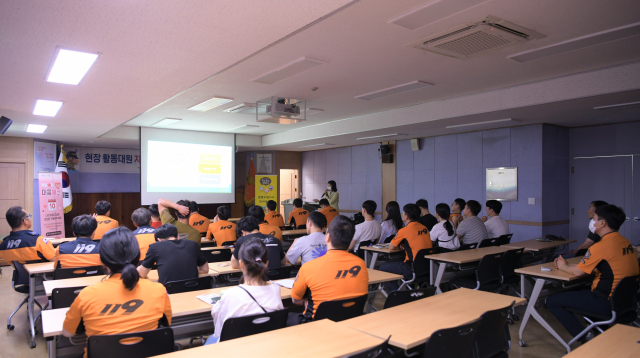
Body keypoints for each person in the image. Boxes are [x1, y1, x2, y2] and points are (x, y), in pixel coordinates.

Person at [62, 227, 172, 358]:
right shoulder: (159, 290)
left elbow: (68, 333)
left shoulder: (87, 295)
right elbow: (167, 324)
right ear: (137, 256)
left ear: (103, 260)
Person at [546, 205, 639, 339]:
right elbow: (606, 266)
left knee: (552, 301)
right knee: (582, 290)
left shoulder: (600, 246)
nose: (592, 221)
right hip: (627, 302)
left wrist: (563, 266)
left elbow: (578, 273)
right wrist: (569, 265)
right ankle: (598, 332)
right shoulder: (625, 242)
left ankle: (585, 338)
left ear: (602, 223)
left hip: (606, 302)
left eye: (594, 218)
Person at [289, 215, 369, 325]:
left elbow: (295, 300)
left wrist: (307, 300)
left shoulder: (308, 267)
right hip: (350, 323)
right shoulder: (361, 264)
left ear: (327, 237)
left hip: (316, 326)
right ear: (351, 239)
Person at [205, 238, 284, 345]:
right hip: (268, 345)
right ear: (266, 264)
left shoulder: (231, 294)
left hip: (236, 349)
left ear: (241, 264)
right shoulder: (275, 289)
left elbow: (219, 331)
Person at [379, 204, 432, 292]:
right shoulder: (424, 228)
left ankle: (396, 295)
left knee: (382, 268)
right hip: (426, 268)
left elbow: (391, 247)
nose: (402, 215)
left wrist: (399, 247)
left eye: (403, 213)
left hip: (411, 269)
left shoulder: (404, 230)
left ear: (406, 216)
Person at [137, 224, 209, 286]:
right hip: (193, 288)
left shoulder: (154, 247)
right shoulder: (193, 244)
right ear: (178, 236)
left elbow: (142, 274)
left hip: (169, 292)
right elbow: (205, 269)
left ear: (158, 240)